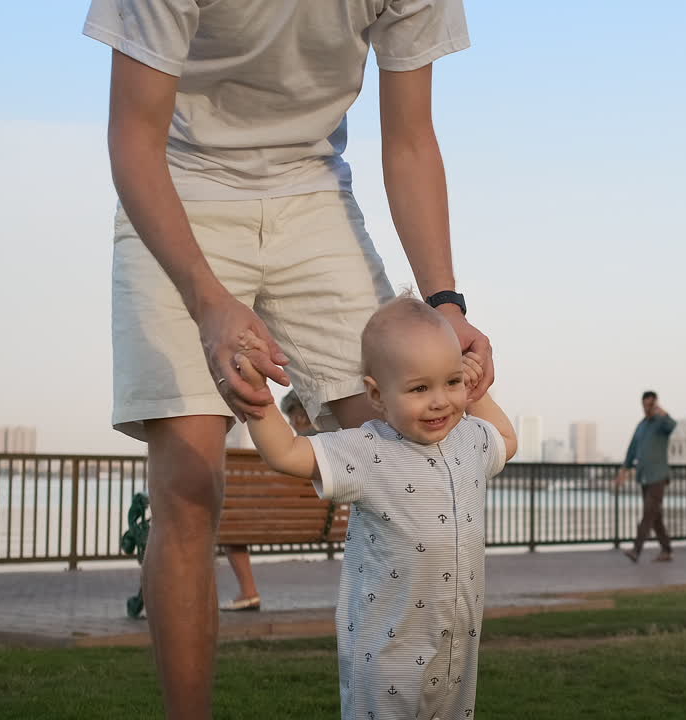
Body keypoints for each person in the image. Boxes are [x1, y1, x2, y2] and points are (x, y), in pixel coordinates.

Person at [83, 2, 492, 716]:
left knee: (416, 457)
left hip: (316, 196)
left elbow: (411, 140)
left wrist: (446, 305)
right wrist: (208, 301)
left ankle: (405, 701)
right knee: (186, 482)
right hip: (182, 187)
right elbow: (134, 139)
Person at [238, 297, 517, 719]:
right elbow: (288, 452)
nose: (440, 400)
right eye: (420, 388)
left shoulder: (471, 439)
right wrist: (257, 394)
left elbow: (507, 440)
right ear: (377, 395)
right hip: (390, 654)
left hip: (456, 652)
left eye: (452, 382)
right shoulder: (369, 449)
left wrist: (479, 392)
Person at [220, 391, 316, 612]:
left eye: (291, 417)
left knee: (230, 526)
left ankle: (248, 591)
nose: (291, 422)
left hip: (274, 522)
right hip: (320, 525)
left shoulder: (290, 453)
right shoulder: (332, 444)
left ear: (300, 417)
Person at [615, 391, 678, 563]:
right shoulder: (641, 426)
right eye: (645, 405)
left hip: (658, 476)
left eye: (651, 404)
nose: (647, 408)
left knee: (648, 513)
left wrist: (663, 413)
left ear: (656, 403)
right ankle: (666, 550)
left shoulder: (661, 423)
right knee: (655, 517)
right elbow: (632, 449)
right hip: (644, 477)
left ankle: (636, 550)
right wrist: (623, 471)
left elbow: (673, 427)